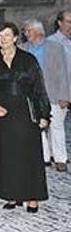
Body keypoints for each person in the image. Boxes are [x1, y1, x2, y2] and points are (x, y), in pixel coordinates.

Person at [0, 22, 50, 213]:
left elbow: (39, 88)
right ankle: (11, 194)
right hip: (3, 114)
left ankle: (31, 196)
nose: (3, 39)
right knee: (7, 154)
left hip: (25, 112)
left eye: (6, 35)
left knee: (28, 154)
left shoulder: (28, 60)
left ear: (14, 38)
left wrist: (44, 114)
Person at [40, 14, 71, 172]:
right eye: (68, 22)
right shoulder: (51, 43)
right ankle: (59, 158)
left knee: (58, 124)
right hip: (58, 90)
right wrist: (63, 94)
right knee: (55, 124)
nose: (70, 25)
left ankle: (53, 153)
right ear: (59, 23)